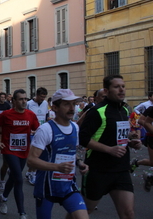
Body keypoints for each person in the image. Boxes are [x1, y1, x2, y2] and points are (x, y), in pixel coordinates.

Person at [79, 75, 141, 218]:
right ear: (106, 91)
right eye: (116, 87)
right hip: (98, 170)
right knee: (83, 212)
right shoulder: (97, 111)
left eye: (123, 86)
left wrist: (131, 142)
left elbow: (117, 136)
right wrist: (109, 149)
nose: (121, 90)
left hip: (121, 169)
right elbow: (83, 138)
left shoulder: (124, 110)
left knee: (128, 213)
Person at [28, 89, 89, 219]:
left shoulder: (75, 127)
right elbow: (31, 160)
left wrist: (79, 162)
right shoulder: (45, 129)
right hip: (46, 187)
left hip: (67, 185)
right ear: (54, 107)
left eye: (74, 104)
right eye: (67, 104)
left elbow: (72, 152)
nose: (72, 108)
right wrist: (57, 167)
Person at [0, 89, 39, 218]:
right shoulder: (6, 114)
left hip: (24, 151)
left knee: (13, 177)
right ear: (13, 101)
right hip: (9, 150)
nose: (24, 101)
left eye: (25, 99)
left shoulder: (30, 115)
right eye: (20, 99)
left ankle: (3, 197)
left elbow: (37, 129)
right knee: (18, 179)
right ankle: (22, 212)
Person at [26, 87, 49, 185]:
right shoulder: (29, 104)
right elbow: (25, 116)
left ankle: (30, 172)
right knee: (34, 154)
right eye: (41, 97)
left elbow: (47, 116)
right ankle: (32, 173)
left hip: (43, 131)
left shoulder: (45, 103)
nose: (42, 99)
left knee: (40, 154)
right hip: (32, 132)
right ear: (37, 95)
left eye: (44, 97)